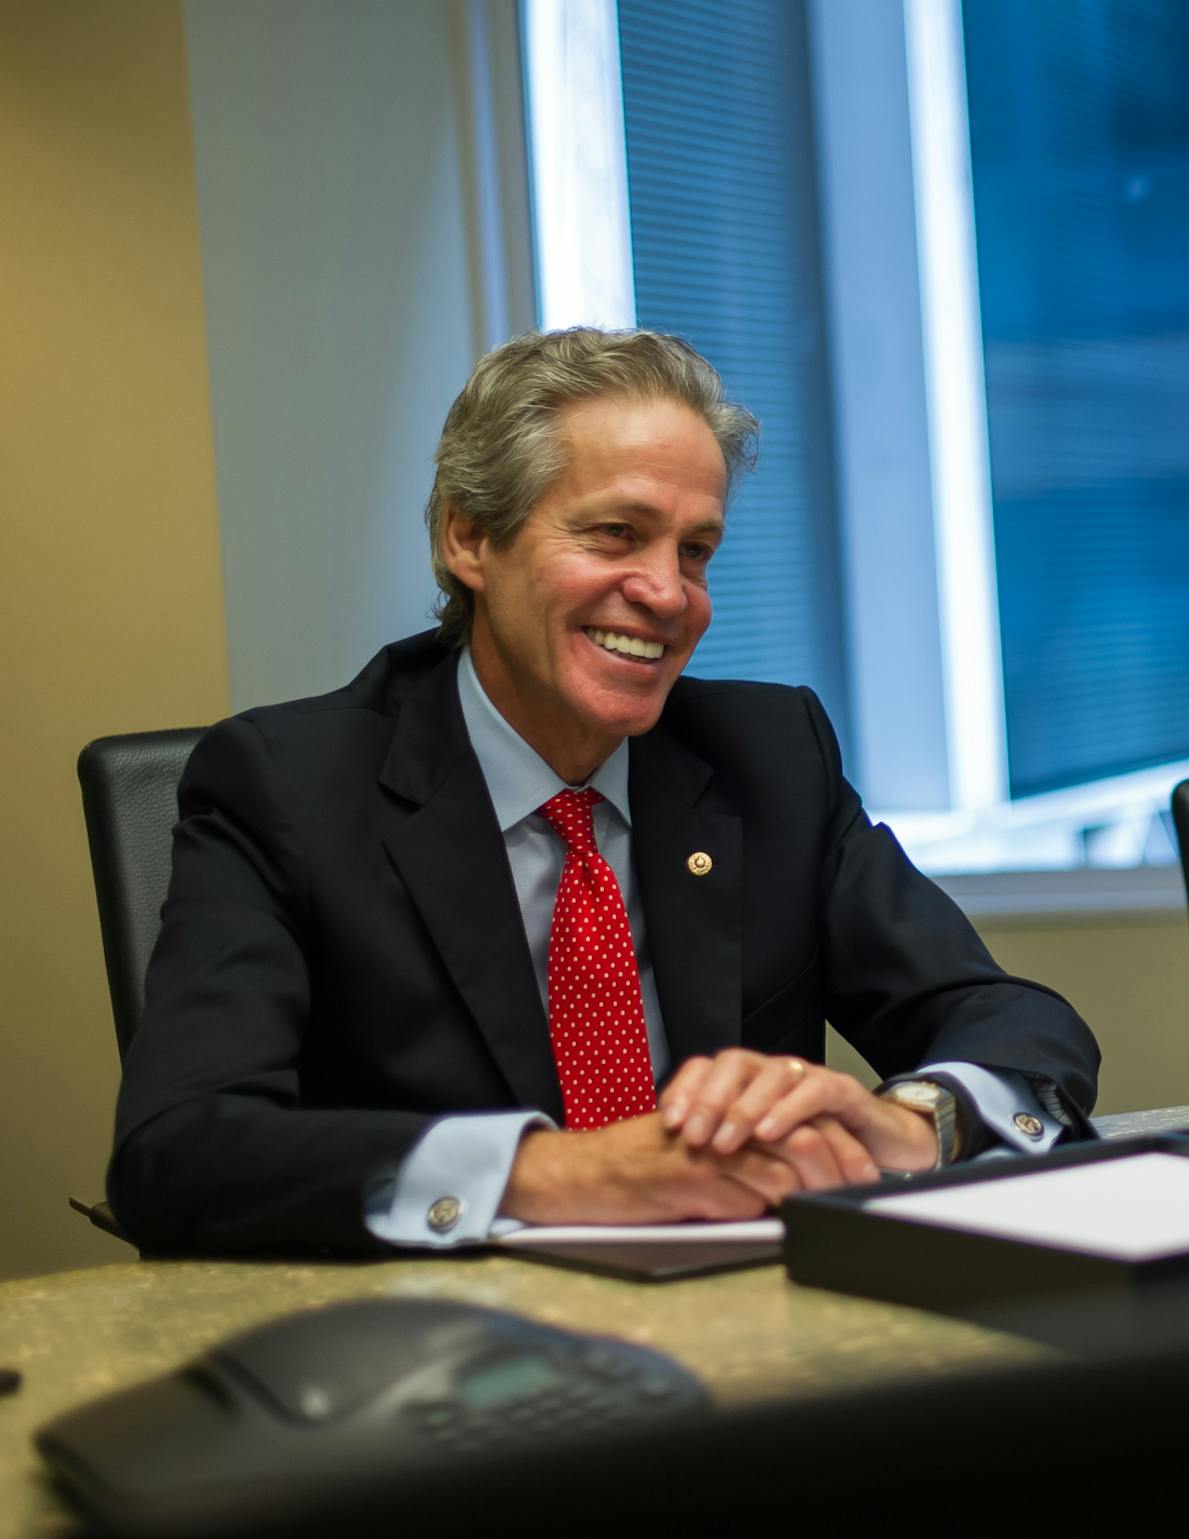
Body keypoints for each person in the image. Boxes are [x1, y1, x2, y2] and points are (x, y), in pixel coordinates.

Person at [109, 328, 1100, 1257]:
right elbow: (180, 1150)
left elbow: (1015, 1020)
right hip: (438, 1364)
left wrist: (904, 1123)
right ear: (469, 540)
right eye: (617, 533)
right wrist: (564, 1174)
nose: (668, 594)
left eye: (695, 550)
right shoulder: (289, 787)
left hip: (760, 1326)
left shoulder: (768, 756)